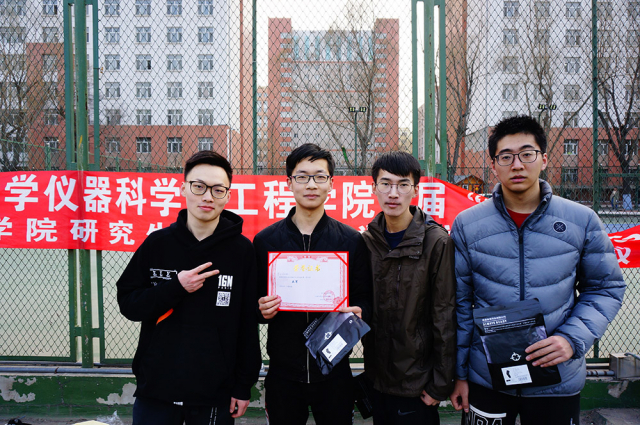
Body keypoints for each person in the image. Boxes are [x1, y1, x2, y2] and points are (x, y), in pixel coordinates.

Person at [449, 115, 626, 425]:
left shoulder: (581, 220)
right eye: (506, 156)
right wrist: (460, 375)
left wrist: (571, 339)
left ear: (544, 159)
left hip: (557, 379)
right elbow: (460, 305)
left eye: (527, 154)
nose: (517, 165)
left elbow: (605, 288)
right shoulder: (467, 225)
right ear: (493, 165)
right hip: (486, 378)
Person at [117, 150, 261, 425]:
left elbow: (246, 324)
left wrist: (243, 385)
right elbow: (129, 304)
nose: (208, 196)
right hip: (157, 388)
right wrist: (176, 287)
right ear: (183, 188)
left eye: (218, 190)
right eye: (199, 186)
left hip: (215, 393)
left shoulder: (242, 251)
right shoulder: (157, 244)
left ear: (228, 196)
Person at [254, 143, 372, 425]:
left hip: (335, 371)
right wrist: (261, 309)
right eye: (302, 176)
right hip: (283, 373)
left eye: (320, 176)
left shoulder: (350, 240)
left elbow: (365, 298)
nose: (311, 184)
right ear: (289, 182)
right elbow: (251, 304)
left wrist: (359, 311)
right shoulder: (266, 241)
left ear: (331, 183)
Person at [362, 151, 456, 425]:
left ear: (415, 190)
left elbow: (445, 314)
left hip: (418, 383)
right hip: (377, 378)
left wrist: (441, 383)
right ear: (374, 188)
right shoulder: (367, 241)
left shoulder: (436, 242)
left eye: (403, 185)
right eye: (385, 184)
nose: (393, 193)